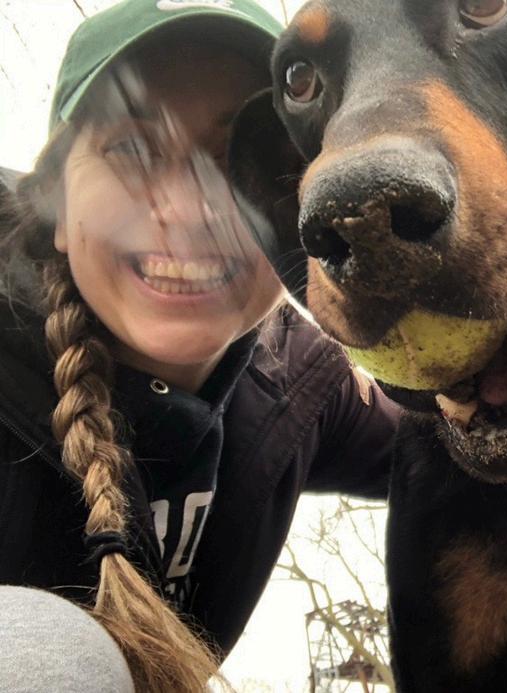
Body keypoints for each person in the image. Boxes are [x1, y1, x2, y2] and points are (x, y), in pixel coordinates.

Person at [0, 1, 400, 691]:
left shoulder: (302, 382)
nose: (187, 213)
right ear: (57, 207)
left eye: (239, 155)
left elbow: (471, 432)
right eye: (132, 151)